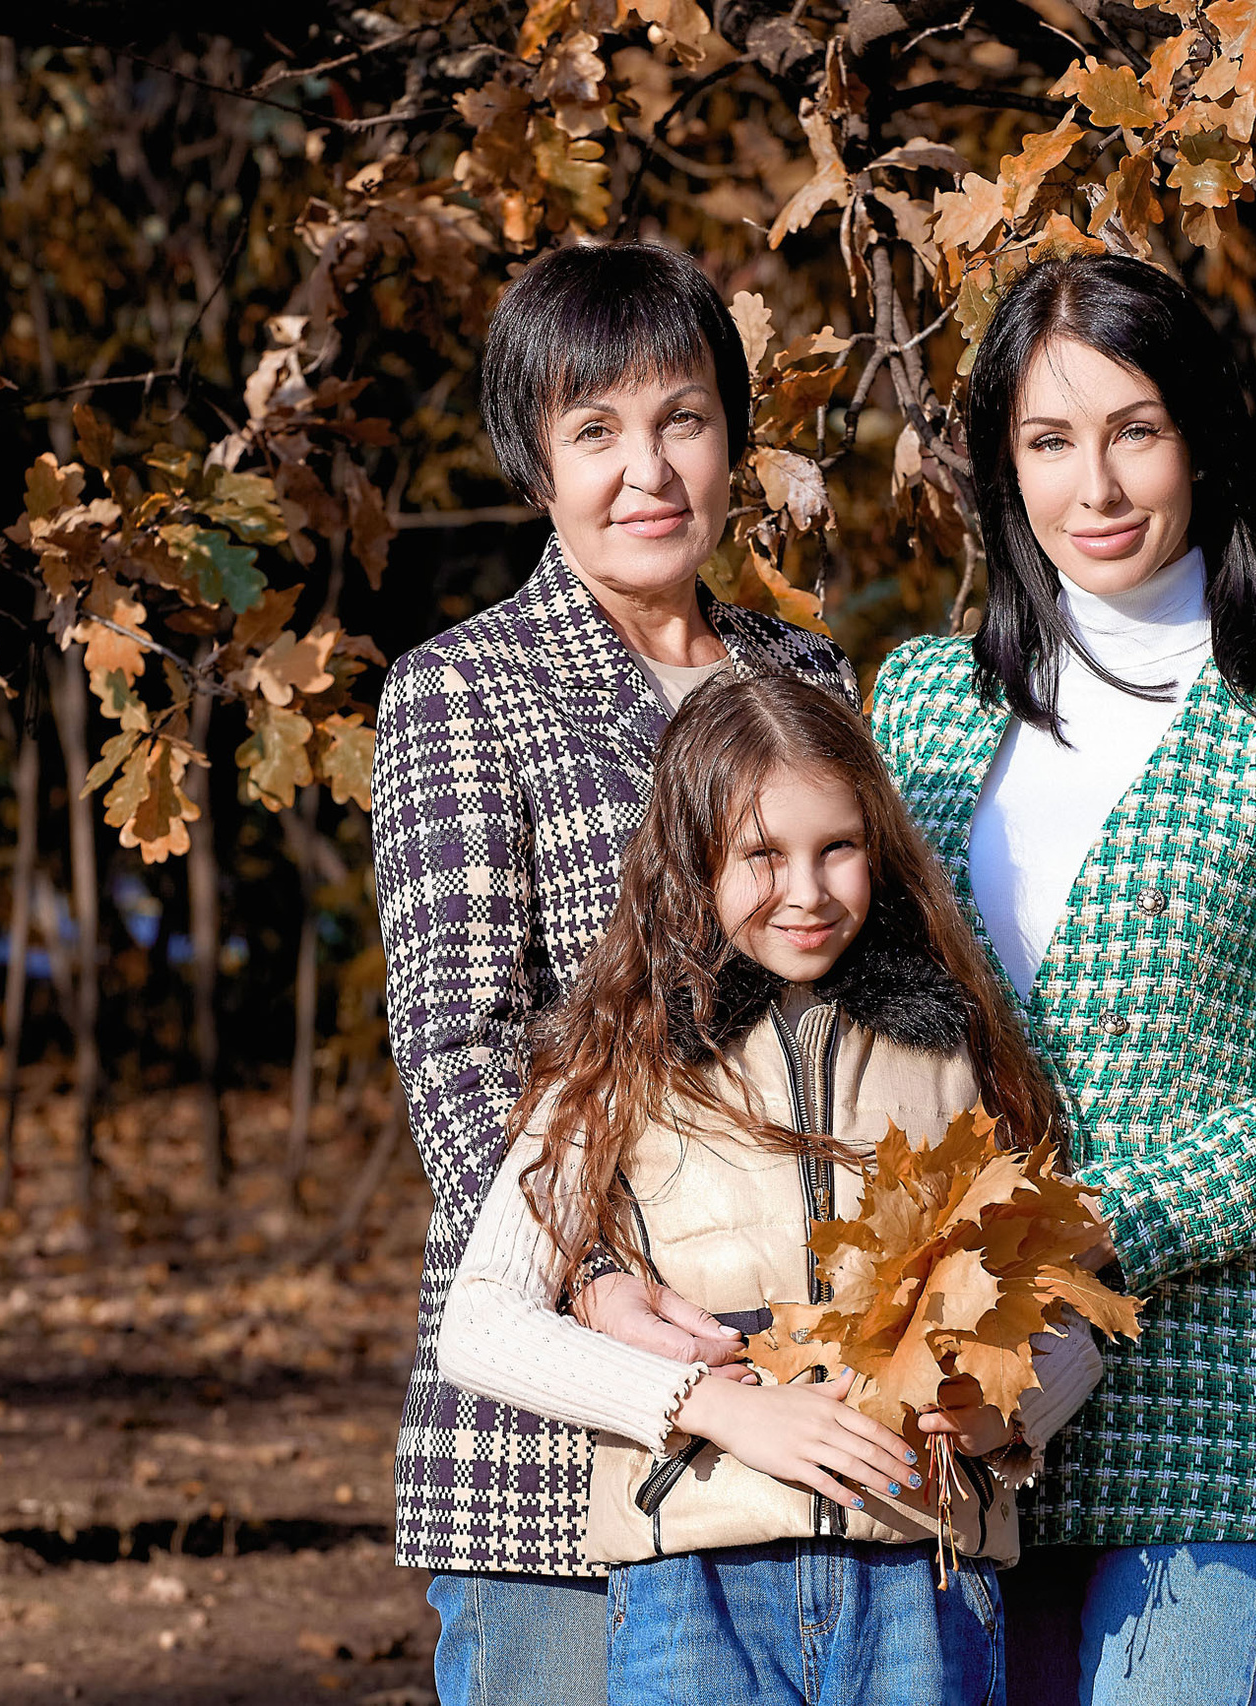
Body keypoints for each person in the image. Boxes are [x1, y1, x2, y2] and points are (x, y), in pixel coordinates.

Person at [868, 252, 1256, 1706]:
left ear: (1200, 436)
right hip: (949, 1399)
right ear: (1004, 463)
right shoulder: (921, 699)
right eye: (1050, 440)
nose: (1097, 486)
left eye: (1136, 430)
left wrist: (1102, 1225)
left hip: (1203, 1394)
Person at [371, 241, 856, 1706]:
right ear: (538, 463)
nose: (646, 471)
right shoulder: (462, 689)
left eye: (681, 419)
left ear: (731, 441)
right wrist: (587, 1275)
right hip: (555, 1396)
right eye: (595, 430)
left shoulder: (809, 678)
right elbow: (458, 1046)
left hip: (790, 1378)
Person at [439, 672, 1103, 1706]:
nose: (807, 891)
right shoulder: (621, 1058)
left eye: (837, 847)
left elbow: (1062, 1302)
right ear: (692, 857)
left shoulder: (955, 1051)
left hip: (921, 1572)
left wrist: (1004, 1416)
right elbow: (481, 1323)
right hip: (697, 1579)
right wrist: (713, 1407)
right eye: (762, 854)